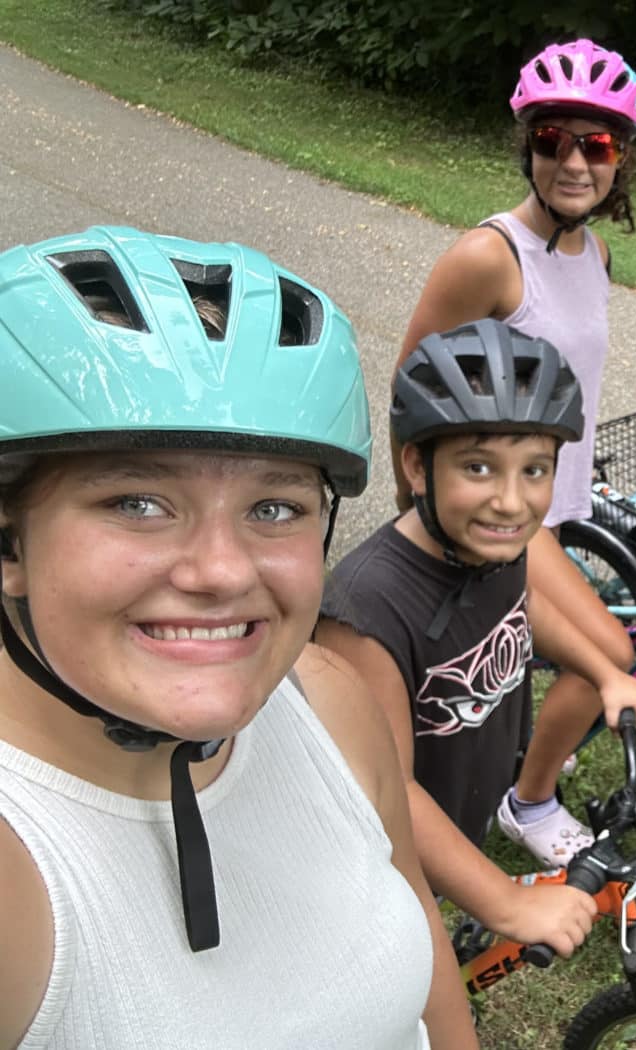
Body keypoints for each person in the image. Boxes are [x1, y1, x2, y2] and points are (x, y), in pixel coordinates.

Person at [0, 226, 477, 1048]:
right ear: (9, 542)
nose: (222, 570)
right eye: (138, 503)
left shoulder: (324, 700)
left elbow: (422, 952)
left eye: (275, 507)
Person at [318, 319, 636, 961]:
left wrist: (604, 672)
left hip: (456, 820)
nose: (510, 501)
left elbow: (520, 606)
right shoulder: (366, 610)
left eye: (535, 470)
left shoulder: (490, 546)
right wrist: (506, 901)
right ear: (417, 466)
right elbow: (388, 788)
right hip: (382, 866)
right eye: (478, 467)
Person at [391, 38, 636, 866]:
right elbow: (412, 382)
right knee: (609, 657)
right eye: (551, 140)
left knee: (537, 654)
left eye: (596, 145)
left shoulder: (592, 252)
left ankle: (521, 761)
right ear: (527, 148)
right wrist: (425, 509)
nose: (574, 162)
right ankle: (529, 804)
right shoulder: (488, 256)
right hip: (499, 513)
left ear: (620, 159)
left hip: (551, 501)